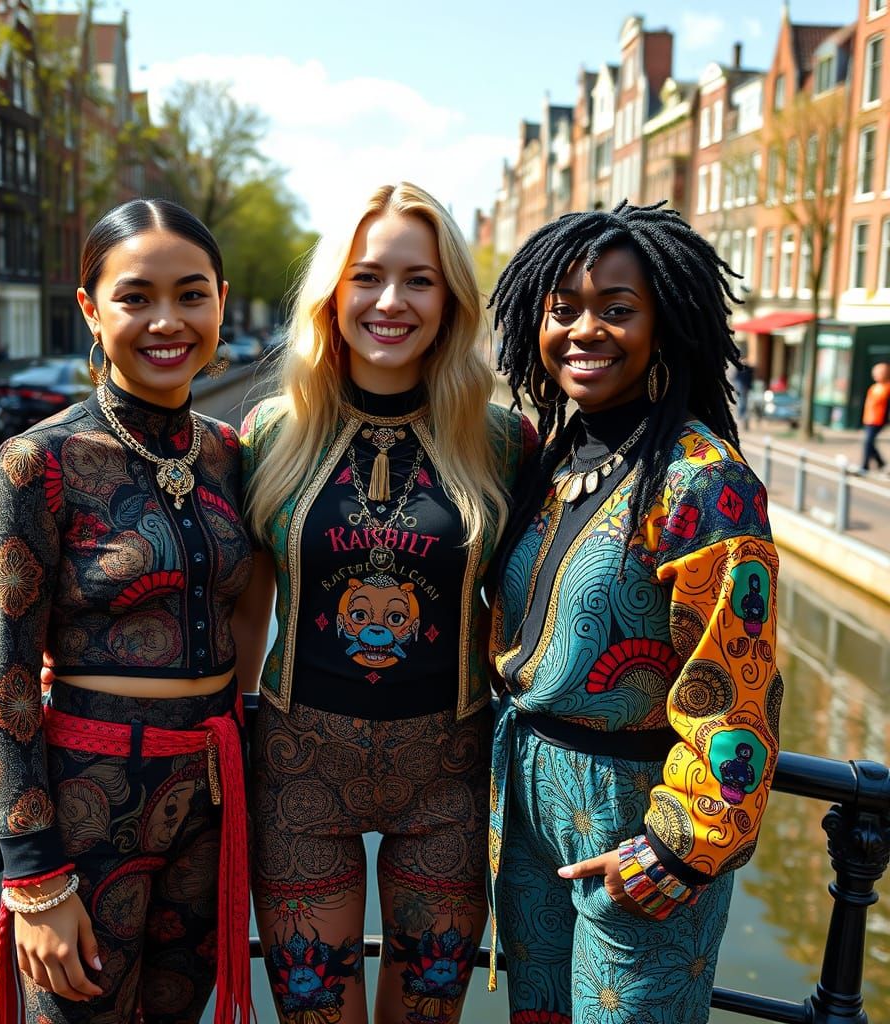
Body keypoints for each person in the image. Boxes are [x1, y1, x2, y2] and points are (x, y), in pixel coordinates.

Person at [238, 181, 534, 1024]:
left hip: (448, 775)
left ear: (451, 301)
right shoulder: (271, 432)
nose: (391, 302)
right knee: (313, 1013)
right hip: (300, 773)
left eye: (420, 279)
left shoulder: (505, 440)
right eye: (367, 277)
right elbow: (236, 593)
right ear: (334, 294)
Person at [486, 200, 782, 1023]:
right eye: (564, 310)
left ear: (665, 326)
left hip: (638, 813)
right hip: (529, 804)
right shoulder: (545, 459)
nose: (586, 331)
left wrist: (680, 848)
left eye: (617, 310)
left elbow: (739, 685)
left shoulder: (700, 481)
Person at [0, 198, 254, 1024]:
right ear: (92, 310)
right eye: (136, 297)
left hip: (210, 798)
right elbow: (6, 678)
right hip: (90, 808)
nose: (167, 320)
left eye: (192, 294)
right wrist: (34, 876)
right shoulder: (38, 463)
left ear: (221, 302)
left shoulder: (226, 452)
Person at [860, 362, 890, 473]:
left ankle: (865, 466)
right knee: (869, 442)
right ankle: (881, 463)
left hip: (878, 420)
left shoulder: (887, 388)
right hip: (869, 419)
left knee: (868, 442)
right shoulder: (874, 388)